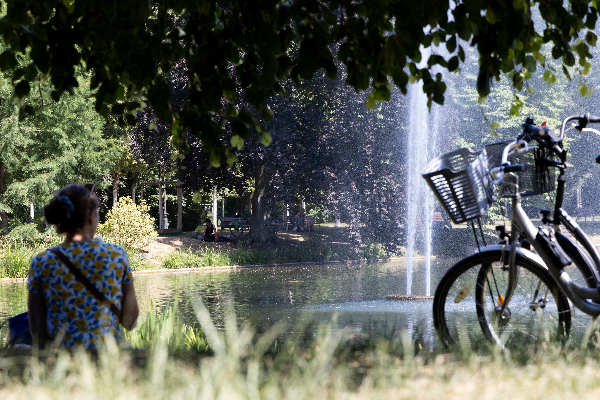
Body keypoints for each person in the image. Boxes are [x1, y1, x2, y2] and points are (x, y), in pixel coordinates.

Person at [27, 184, 139, 350]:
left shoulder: (42, 262)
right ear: (90, 216)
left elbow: (37, 330)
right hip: (109, 359)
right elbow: (130, 321)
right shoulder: (116, 256)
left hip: (64, 361)